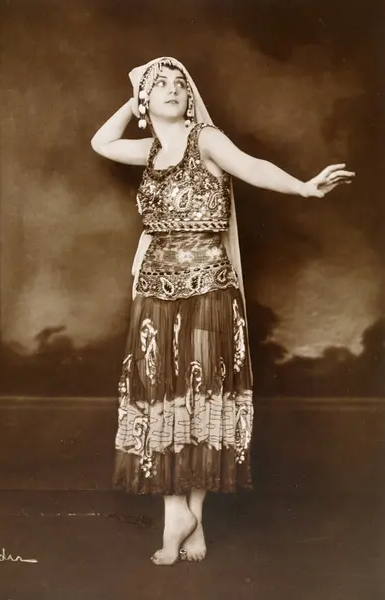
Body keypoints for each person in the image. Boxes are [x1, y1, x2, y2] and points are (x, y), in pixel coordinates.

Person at [90, 57, 355, 566]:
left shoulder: (206, 139)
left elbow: (252, 167)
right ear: (146, 99)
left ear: (192, 97)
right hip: (154, 291)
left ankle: (186, 516)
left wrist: (303, 186)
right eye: (160, 85)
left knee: (201, 395)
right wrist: (136, 96)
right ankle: (185, 518)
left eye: (180, 83)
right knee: (163, 396)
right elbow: (101, 142)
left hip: (209, 290)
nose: (173, 89)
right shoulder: (148, 150)